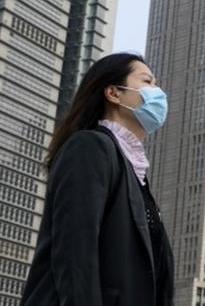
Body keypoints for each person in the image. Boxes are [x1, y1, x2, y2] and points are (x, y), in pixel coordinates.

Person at [20, 52, 174, 306]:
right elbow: (75, 252)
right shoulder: (90, 147)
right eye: (147, 82)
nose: (157, 92)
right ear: (113, 93)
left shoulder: (135, 172)